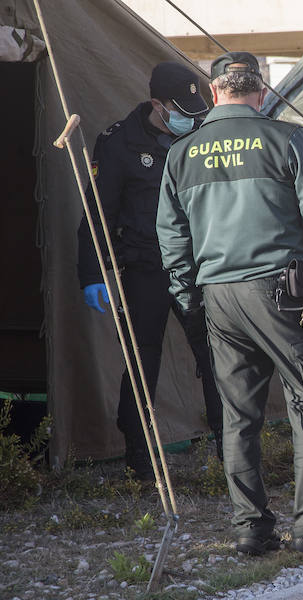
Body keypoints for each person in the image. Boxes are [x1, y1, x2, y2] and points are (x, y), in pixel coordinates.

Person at [156, 51, 303, 563]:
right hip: (280, 293)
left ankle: (250, 529)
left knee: (237, 415)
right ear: (263, 93)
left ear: (214, 93)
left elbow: (171, 235)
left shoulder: (182, 152)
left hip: (219, 296)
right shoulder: (285, 138)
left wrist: (191, 299)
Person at [77, 61, 222, 480]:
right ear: (157, 105)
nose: (189, 119)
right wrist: (91, 272)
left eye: (195, 112)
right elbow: (97, 212)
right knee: (143, 362)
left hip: (198, 268)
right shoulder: (120, 143)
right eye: (180, 111)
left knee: (216, 357)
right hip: (145, 268)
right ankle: (139, 459)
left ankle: (230, 453)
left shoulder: (200, 134)